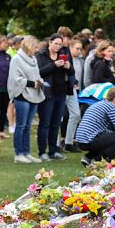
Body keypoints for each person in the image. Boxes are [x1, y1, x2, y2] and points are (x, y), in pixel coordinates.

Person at [35, 33, 73, 161]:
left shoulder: (63, 54)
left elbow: (72, 73)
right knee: (45, 123)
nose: (57, 46)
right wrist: (54, 65)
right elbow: (39, 72)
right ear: (50, 42)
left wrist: (68, 67)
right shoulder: (41, 55)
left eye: (60, 44)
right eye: (55, 43)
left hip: (61, 93)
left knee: (56, 123)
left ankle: (53, 151)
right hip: (47, 93)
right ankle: (42, 152)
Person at [7, 35, 44, 164]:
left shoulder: (33, 59)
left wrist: (39, 81)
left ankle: (27, 153)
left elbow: (37, 74)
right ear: (29, 46)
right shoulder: (16, 59)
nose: (36, 49)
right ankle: (19, 153)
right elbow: (16, 78)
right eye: (35, 47)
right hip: (22, 95)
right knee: (21, 125)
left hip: (34, 94)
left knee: (28, 126)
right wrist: (32, 83)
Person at [75, 86, 115, 163]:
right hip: (90, 140)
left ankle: (89, 157)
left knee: (110, 138)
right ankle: (99, 158)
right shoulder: (111, 106)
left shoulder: (98, 104)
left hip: (80, 140)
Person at [64, 37, 87, 153]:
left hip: (76, 89)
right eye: (77, 48)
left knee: (76, 115)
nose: (79, 51)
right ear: (71, 47)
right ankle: (59, 142)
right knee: (62, 116)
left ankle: (69, 141)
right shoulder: (65, 58)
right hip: (64, 88)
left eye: (80, 49)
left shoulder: (81, 61)